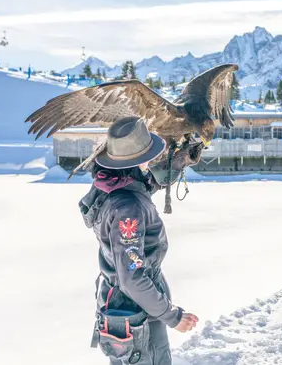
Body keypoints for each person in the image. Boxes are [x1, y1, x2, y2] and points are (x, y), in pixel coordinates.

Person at [79, 116, 202, 364]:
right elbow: (132, 277)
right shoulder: (128, 208)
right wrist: (172, 316)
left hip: (118, 302)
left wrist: (179, 162)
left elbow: (143, 185)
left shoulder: (107, 184)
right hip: (137, 307)